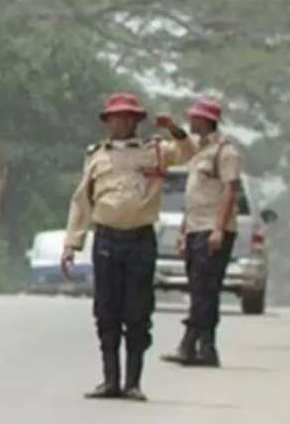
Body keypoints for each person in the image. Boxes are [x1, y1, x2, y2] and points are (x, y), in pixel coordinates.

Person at [60, 93, 196, 401]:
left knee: (137, 312)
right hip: (107, 240)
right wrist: (72, 244)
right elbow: (81, 201)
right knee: (106, 312)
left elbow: (189, 153)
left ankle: (133, 382)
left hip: (139, 240)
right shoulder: (96, 155)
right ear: (107, 121)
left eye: (127, 117)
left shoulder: (156, 150)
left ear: (136, 121)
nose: (121, 122)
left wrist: (173, 128)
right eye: (115, 117)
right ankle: (110, 380)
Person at [161, 98, 243, 368]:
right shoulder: (199, 151)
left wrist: (219, 229)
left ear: (207, 121)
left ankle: (188, 344)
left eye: (195, 118)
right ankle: (206, 348)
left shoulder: (226, 152)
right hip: (196, 226)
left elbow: (230, 192)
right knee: (201, 290)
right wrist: (184, 231)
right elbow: (193, 196)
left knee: (204, 289)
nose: (191, 122)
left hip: (213, 229)